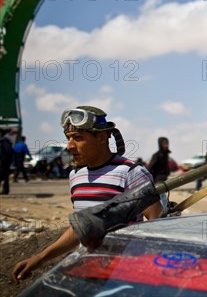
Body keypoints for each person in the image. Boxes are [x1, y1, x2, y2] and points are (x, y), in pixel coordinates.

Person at [12, 106, 162, 281]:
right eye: (68, 138)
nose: (69, 146)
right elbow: (83, 229)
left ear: (101, 137)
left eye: (78, 138)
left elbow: (156, 225)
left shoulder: (131, 173)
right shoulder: (76, 176)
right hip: (91, 271)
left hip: (124, 273)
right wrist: (39, 258)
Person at [148, 136, 171, 212]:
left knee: (162, 195)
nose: (166, 145)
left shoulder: (166, 154)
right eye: (164, 143)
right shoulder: (157, 155)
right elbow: (150, 167)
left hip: (163, 178)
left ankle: (164, 210)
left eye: (167, 143)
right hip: (157, 178)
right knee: (162, 196)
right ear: (160, 144)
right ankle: (164, 211)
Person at [0, 128, 14, 194]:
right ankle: (5, 190)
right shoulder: (4, 140)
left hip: (4, 162)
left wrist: (3, 160)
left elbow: (8, 151)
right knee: (4, 176)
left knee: (4, 175)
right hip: (4, 161)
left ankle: (5, 190)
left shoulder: (4, 141)